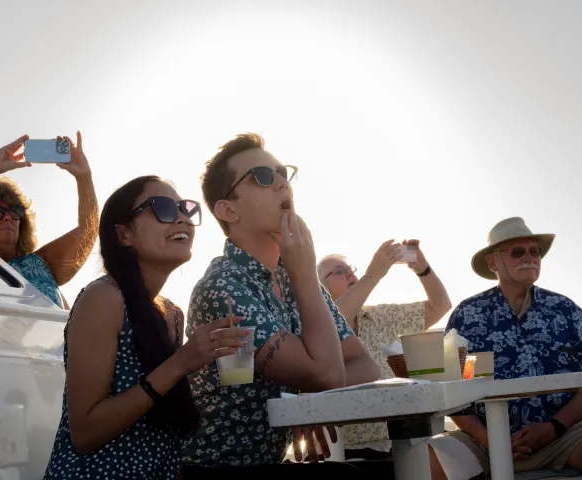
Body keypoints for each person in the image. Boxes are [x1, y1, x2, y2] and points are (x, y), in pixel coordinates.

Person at [182, 133, 387, 479]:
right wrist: (307, 275)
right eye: (262, 177)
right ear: (228, 209)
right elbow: (329, 374)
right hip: (215, 470)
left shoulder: (293, 275)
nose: (280, 183)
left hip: (268, 464)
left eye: (282, 173)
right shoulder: (222, 288)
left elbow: (364, 365)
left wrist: (308, 402)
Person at [44, 176, 250, 479]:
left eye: (185, 208)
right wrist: (181, 363)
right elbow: (85, 433)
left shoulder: (173, 314)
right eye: (163, 207)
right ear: (124, 233)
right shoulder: (103, 298)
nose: (182, 217)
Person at [428, 217, 582, 480]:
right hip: (481, 441)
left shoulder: (564, 309)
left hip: (563, 435)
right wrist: (490, 440)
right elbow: (450, 385)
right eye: (517, 252)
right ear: (493, 262)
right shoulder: (467, 314)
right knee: (428, 460)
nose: (530, 258)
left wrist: (554, 426)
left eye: (535, 251)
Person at [318, 240, 452, 459]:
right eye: (339, 271)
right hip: (350, 451)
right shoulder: (314, 325)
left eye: (351, 270)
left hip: (403, 438)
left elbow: (440, 306)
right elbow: (334, 320)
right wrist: (373, 274)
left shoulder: (379, 316)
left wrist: (422, 267)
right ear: (319, 288)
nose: (351, 275)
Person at [0, 133, 98, 308]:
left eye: (14, 211)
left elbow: (88, 230)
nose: (8, 217)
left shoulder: (40, 263)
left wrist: (84, 177)